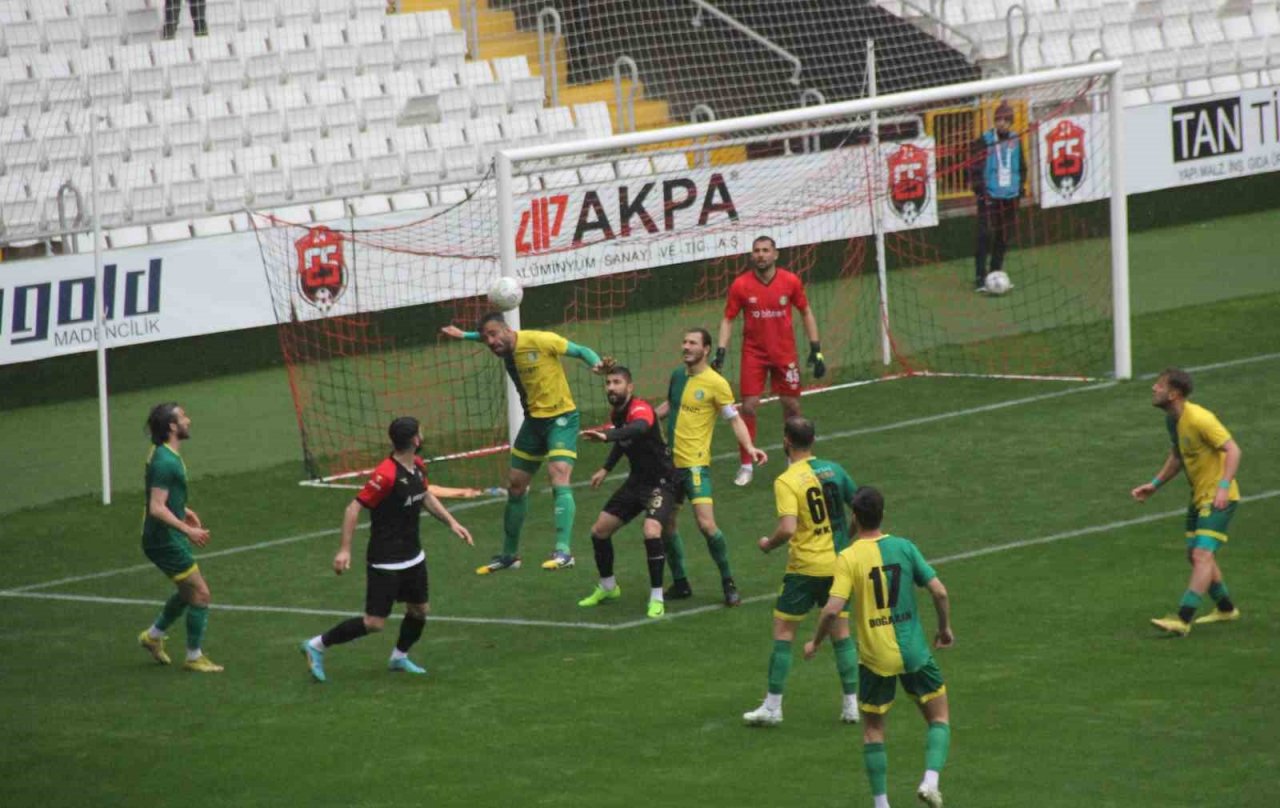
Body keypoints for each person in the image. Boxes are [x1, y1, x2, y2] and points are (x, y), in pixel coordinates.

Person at [805, 486, 953, 808]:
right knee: (939, 717)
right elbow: (940, 592)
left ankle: (882, 804)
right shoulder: (904, 547)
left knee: (873, 730)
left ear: (854, 518)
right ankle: (930, 781)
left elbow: (831, 610)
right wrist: (944, 629)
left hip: (875, 658)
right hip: (914, 652)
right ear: (882, 514)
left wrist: (815, 642)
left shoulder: (848, 557)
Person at [300, 417, 474, 683]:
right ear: (415, 439)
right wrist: (344, 550)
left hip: (413, 555)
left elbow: (425, 495)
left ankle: (399, 657)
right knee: (374, 623)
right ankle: (316, 645)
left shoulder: (417, 465)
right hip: (386, 560)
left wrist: (452, 522)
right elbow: (353, 508)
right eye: (421, 432)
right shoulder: (386, 475)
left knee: (419, 610)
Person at [441, 312, 610, 573]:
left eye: (494, 335)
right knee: (516, 486)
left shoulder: (540, 340)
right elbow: (487, 336)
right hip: (533, 424)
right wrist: (464, 335)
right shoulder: (501, 345)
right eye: (486, 339)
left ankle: (564, 551)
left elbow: (580, 350)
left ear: (507, 329)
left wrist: (596, 364)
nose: (490, 342)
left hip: (561, 419)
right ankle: (510, 556)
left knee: (558, 475)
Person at [743, 416, 860, 727]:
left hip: (804, 569)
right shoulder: (834, 470)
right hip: (838, 565)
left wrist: (768, 544)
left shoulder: (787, 480)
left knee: (784, 633)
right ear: (813, 440)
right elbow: (861, 508)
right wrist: (845, 538)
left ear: (786, 441)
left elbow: (787, 528)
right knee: (841, 633)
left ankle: (773, 707)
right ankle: (851, 706)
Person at [654, 328, 768, 606]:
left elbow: (734, 419)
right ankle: (681, 582)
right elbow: (670, 404)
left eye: (692, 343)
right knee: (666, 526)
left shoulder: (716, 383)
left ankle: (728, 581)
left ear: (706, 349)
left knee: (706, 525)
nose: (686, 346)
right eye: (684, 341)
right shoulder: (677, 375)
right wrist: (642, 420)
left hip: (695, 467)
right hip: (669, 466)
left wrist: (749, 447)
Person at [1131, 368, 1242, 636]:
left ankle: (1183, 618)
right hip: (1199, 495)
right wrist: (1154, 484)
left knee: (1202, 554)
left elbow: (1233, 450)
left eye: (1159, 385)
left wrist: (1223, 488)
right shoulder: (1173, 420)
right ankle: (1226, 608)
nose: (1154, 388)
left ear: (1174, 394)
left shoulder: (1201, 418)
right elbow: (1178, 456)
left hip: (1218, 497)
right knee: (1195, 555)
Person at [713, 235, 825, 488]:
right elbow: (728, 319)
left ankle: (794, 461)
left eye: (765, 250)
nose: (761, 255)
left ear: (775, 254)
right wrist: (721, 351)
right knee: (749, 407)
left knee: (792, 406)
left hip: (785, 354)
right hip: (754, 354)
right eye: (756, 251)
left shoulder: (790, 281)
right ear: (752, 255)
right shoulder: (741, 285)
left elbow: (806, 311)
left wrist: (816, 349)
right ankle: (746, 465)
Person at [578, 366, 677, 619]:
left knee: (651, 531)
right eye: (608, 383)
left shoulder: (640, 409)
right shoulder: (618, 413)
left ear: (630, 387)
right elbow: (625, 442)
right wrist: (606, 468)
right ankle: (608, 587)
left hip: (662, 482)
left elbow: (639, 428)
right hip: (637, 482)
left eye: (617, 382)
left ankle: (657, 597)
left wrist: (606, 436)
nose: (611, 387)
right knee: (599, 531)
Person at [136, 402, 223, 673]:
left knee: (187, 593)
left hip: (164, 535)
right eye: (183, 417)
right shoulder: (165, 462)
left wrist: (183, 510)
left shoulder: (162, 453)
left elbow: (159, 495)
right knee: (200, 593)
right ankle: (194, 656)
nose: (189, 420)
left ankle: (153, 636)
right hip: (163, 540)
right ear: (172, 427)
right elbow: (156, 507)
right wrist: (188, 530)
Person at [969, 100, 1025, 293]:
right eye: (999, 119)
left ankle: (996, 272)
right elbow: (974, 167)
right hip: (989, 196)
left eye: (1005, 120)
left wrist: (1020, 187)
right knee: (984, 235)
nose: (1002, 123)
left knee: (1004, 236)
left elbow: (1021, 165)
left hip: (1010, 196)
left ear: (1011, 122)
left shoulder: (1016, 139)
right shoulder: (984, 140)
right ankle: (979, 277)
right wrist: (980, 191)